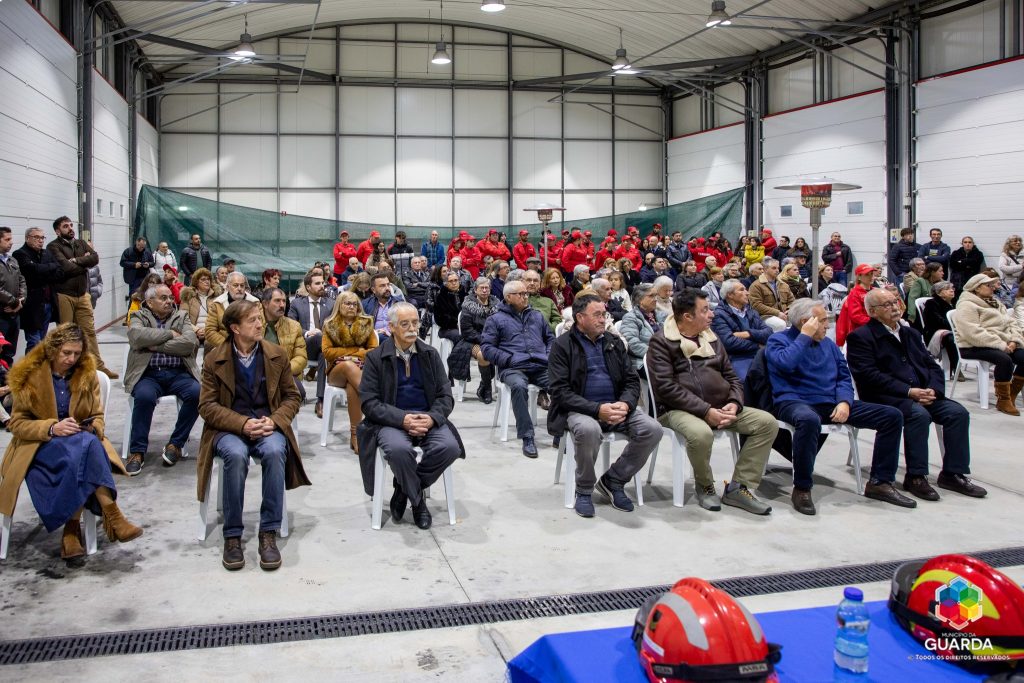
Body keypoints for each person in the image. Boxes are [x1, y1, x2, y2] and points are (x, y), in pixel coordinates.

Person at [0, 324, 142, 562]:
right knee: (88, 448)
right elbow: (17, 424)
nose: (71, 359)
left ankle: (71, 531)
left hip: (78, 443)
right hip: (39, 446)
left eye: (76, 353)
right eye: (66, 353)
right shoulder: (31, 375)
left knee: (84, 445)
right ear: (53, 349)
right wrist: (52, 428)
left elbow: (97, 417)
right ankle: (112, 516)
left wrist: (91, 426)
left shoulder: (86, 373)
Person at [765, 298, 914, 515]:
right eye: (823, 321)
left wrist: (844, 401)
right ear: (806, 322)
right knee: (808, 419)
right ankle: (802, 488)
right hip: (794, 401)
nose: (828, 325)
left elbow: (843, 377)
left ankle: (880, 482)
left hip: (832, 402)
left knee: (891, 415)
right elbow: (786, 363)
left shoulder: (828, 345)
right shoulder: (778, 340)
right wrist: (805, 336)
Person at [197, 299, 309, 571]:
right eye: (253, 321)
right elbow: (207, 406)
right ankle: (232, 535)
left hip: (267, 424)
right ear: (235, 328)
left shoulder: (276, 354)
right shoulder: (214, 359)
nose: (260, 324)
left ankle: (268, 532)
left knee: (275, 450)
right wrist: (243, 423)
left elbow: (292, 396)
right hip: (229, 428)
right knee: (235, 455)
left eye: (260, 318)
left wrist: (275, 420)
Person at [847, 288, 987, 500]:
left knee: (957, 413)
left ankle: (952, 473)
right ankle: (916, 476)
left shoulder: (910, 333)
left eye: (895, 302)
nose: (894, 307)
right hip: (886, 396)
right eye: (887, 305)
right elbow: (868, 376)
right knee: (918, 416)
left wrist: (934, 389)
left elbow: (931, 365)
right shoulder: (861, 337)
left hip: (922, 393)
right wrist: (908, 391)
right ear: (873, 312)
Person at [647, 289, 778, 515]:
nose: (712, 314)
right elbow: (666, 388)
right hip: (676, 410)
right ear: (687, 316)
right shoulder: (662, 341)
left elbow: (732, 376)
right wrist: (705, 410)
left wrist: (734, 402)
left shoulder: (711, 338)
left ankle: (739, 487)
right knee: (701, 434)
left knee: (766, 423)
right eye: (705, 310)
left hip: (721, 406)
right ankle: (705, 485)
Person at [547, 294, 661, 517]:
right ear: (580, 317)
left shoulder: (613, 342)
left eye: (604, 314)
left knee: (652, 429)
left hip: (616, 407)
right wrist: (597, 410)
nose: (603, 319)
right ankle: (584, 490)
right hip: (580, 410)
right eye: (597, 315)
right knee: (588, 429)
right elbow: (559, 392)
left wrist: (625, 404)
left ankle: (614, 480)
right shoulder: (562, 345)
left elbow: (631, 381)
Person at [356, 303, 464, 530]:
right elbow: (369, 403)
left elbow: (445, 396)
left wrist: (432, 418)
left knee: (449, 447)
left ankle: (403, 489)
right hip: (391, 421)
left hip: (427, 419)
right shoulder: (376, 358)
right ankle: (418, 503)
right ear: (391, 327)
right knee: (398, 450)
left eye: (415, 322)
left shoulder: (430, 354)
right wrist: (402, 419)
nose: (412, 328)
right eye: (405, 324)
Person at [124, 284, 201, 475]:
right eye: (163, 298)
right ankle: (137, 451)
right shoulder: (138, 316)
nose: (169, 301)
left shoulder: (181, 316)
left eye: (170, 298)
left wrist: (155, 346)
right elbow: (136, 337)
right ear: (150, 302)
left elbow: (189, 342)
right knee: (144, 397)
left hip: (178, 373)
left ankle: (175, 444)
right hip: (148, 374)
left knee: (197, 393)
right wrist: (170, 334)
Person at [481, 280, 554, 457]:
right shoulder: (495, 319)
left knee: (561, 385)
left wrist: (548, 356)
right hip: (512, 367)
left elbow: (550, 338)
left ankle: (558, 431)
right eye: (521, 294)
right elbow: (487, 348)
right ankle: (527, 436)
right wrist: (509, 359)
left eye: (526, 293)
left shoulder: (536, 316)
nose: (525, 297)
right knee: (519, 387)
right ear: (508, 297)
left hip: (539, 364)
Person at [46, 217, 117, 379]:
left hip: (83, 295)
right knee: (66, 334)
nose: (70, 228)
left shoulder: (80, 243)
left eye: (71, 225)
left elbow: (95, 258)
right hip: (64, 294)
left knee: (89, 332)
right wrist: (84, 264)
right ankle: (65, 371)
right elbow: (65, 267)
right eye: (65, 226)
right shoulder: (53, 246)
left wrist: (77, 260)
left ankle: (98, 367)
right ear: (58, 231)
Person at [955, 273, 1024, 415]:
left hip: (1000, 342)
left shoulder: (995, 302)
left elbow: (1011, 323)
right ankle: (1003, 400)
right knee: (1004, 359)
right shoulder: (967, 304)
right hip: (972, 345)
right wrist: (1000, 344)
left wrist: (1014, 340)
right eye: (989, 285)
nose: (993, 288)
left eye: (993, 285)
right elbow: (972, 332)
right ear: (977, 288)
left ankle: (1011, 394)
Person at [320, 291, 378, 453]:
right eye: (347, 303)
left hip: (361, 372)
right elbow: (327, 352)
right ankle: (373, 401)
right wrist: (355, 352)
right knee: (348, 366)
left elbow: (374, 351)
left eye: (354, 304)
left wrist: (347, 354)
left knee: (352, 387)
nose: (352, 307)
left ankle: (356, 434)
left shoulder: (367, 323)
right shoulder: (330, 324)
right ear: (339, 305)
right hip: (336, 372)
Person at [287, 270, 333, 417]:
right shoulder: (296, 304)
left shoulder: (331, 304)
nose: (322, 286)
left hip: (324, 347)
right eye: (317, 283)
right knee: (319, 338)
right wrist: (307, 332)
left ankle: (320, 400)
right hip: (304, 345)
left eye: (323, 283)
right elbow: (290, 326)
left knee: (323, 354)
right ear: (308, 287)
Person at [14, 227, 64, 353]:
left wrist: (43, 270)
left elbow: (60, 272)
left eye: (42, 237)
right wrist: (50, 267)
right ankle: (30, 365)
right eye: (36, 237)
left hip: (47, 303)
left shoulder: (46, 253)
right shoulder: (20, 254)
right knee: (34, 342)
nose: (40, 240)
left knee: (41, 342)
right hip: (32, 305)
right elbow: (32, 271)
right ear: (27, 238)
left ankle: (39, 365)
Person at [710, 279, 772, 381]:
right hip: (737, 357)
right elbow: (729, 342)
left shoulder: (751, 311)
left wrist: (748, 333)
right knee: (748, 380)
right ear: (730, 295)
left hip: (759, 352)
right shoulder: (719, 315)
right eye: (742, 290)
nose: (747, 293)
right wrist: (757, 344)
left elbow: (768, 332)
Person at [261, 287, 308, 401]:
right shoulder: (254, 324)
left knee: (299, 393)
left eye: (284, 301)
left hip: (285, 372)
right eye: (277, 301)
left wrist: (283, 371)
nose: (282, 305)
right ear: (265, 304)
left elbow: (301, 357)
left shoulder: (294, 326)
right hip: (259, 371)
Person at [460, 277, 499, 403]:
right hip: (472, 342)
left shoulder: (497, 305)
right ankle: (487, 388)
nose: (484, 290)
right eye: (481, 288)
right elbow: (467, 331)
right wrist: (485, 340)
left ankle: (483, 383)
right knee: (483, 355)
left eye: (487, 288)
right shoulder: (468, 306)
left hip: (493, 341)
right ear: (475, 290)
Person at [205, 271, 262, 351]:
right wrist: (228, 346)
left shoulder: (255, 303)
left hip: (251, 344)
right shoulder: (217, 304)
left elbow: (261, 326)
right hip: (224, 345)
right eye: (235, 285)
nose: (239, 288)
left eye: (242, 285)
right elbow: (209, 330)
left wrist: (247, 344)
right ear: (228, 287)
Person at [618, 283, 666, 376]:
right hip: (643, 361)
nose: (655, 299)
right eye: (651, 296)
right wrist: (658, 354)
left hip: (664, 356)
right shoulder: (631, 317)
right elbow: (631, 343)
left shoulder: (661, 315)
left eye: (656, 295)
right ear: (639, 299)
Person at [921, 281, 963, 381]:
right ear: (939, 293)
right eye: (948, 289)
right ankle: (957, 368)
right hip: (935, 332)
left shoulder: (955, 302)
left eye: (952, 288)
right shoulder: (932, 303)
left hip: (954, 329)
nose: (952, 290)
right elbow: (938, 321)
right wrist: (956, 326)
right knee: (950, 338)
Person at [0, 227, 26, 369]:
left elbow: (22, 280)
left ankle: (7, 377)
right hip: (2, 313)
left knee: (10, 351)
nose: (11, 242)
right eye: (7, 239)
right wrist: (14, 301)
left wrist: (21, 300)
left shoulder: (12, 260)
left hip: (14, 313)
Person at [835, 264, 877, 347]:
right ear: (859, 277)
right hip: (861, 332)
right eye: (867, 274)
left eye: (872, 274)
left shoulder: (875, 291)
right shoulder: (855, 293)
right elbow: (856, 316)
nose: (871, 277)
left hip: (872, 329)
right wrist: (876, 322)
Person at [748, 258, 793, 332]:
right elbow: (756, 305)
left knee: (801, 320)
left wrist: (789, 310)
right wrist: (777, 313)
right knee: (780, 324)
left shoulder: (784, 285)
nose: (777, 270)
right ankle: (776, 339)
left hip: (784, 314)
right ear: (765, 269)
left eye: (778, 268)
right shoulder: (756, 285)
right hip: (765, 316)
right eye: (774, 268)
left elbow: (792, 301)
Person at [363, 272, 404, 341]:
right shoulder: (366, 304)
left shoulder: (398, 302)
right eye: (382, 286)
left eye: (388, 284)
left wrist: (390, 334)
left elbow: (404, 324)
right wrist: (374, 332)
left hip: (395, 338)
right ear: (373, 290)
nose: (387, 288)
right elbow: (362, 327)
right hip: (375, 339)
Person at [433, 271, 464, 347]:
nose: (454, 283)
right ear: (446, 283)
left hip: (465, 326)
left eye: (456, 280)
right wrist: (457, 323)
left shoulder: (464, 294)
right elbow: (440, 319)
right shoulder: (441, 297)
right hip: (447, 328)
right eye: (451, 281)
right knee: (459, 335)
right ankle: (456, 355)